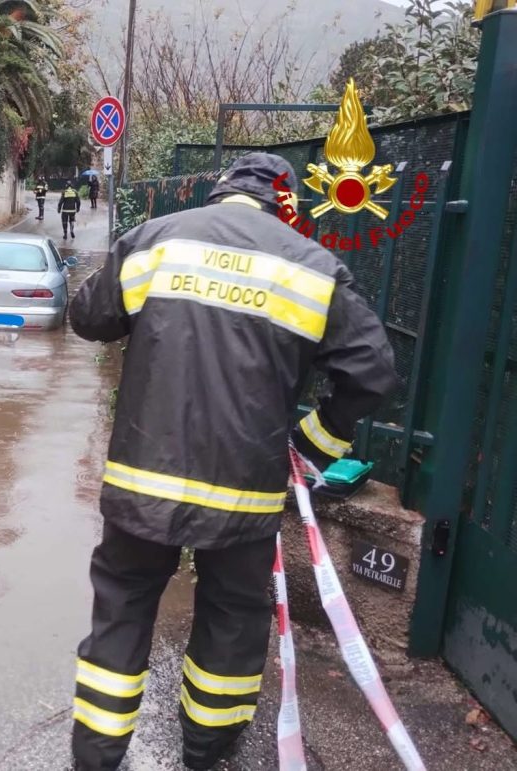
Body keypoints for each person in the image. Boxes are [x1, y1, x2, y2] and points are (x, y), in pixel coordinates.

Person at [67, 152, 397, 771]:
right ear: (285, 204)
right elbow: (373, 373)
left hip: (143, 486)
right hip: (245, 495)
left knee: (123, 607)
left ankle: (94, 758)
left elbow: (88, 319)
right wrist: (316, 440)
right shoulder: (312, 267)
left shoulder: (156, 241)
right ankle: (206, 754)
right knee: (232, 618)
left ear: (219, 194)